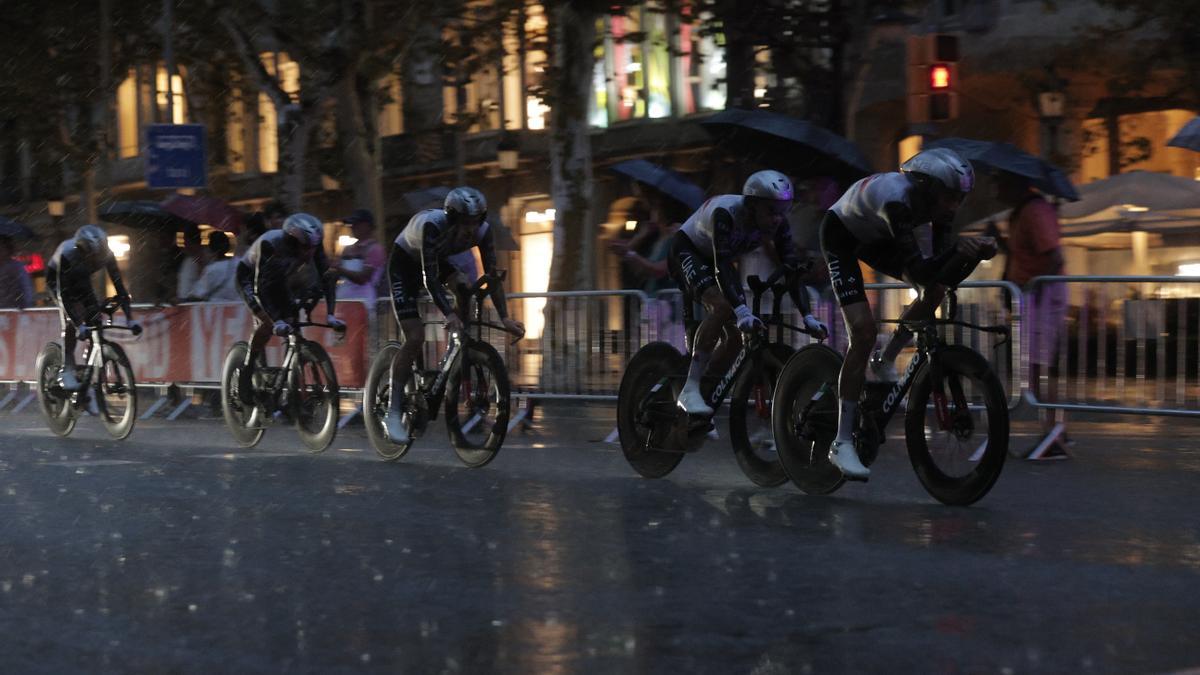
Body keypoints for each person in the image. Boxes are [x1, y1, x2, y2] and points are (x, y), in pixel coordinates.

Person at [820, 148, 996, 480]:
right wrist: (960, 251)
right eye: (949, 198)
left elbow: (941, 276)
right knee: (863, 332)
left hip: (874, 235)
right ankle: (841, 442)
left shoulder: (938, 205)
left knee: (936, 291)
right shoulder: (897, 201)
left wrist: (974, 255)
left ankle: (885, 359)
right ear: (926, 189)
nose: (954, 207)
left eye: (960, 199)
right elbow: (921, 268)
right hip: (841, 235)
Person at [668, 170, 829, 416]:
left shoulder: (778, 223)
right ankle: (689, 389)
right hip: (688, 251)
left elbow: (791, 270)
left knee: (733, 339)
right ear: (752, 205)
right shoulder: (726, 214)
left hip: (716, 261)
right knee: (722, 307)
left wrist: (808, 315)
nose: (777, 218)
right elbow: (722, 266)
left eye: (783, 210)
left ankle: (705, 389)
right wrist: (741, 310)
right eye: (771, 211)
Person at [384, 186, 525, 443]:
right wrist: (448, 313)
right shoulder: (433, 226)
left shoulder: (483, 231)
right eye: (464, 222)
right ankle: (392, 411)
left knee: (464, 288)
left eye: (475, 221)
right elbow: (429, 278)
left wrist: (505, 317)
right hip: (405, 264)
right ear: (451, 218)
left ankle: (458, 347)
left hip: (436, 261)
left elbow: (492, 278)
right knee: (416, 336)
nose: (471, 228)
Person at [992, 170, 1069, 458]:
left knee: (1039, 366)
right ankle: (1057, 431)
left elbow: (1054, 256)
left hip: (1042, 295)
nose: (995, 186)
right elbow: (1025, 253)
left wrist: (1034, 290)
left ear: (1014, 182)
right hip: (1034, 293)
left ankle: (1054, 434)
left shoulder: (1035, 210)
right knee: (1037, 366)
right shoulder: (1022, 212)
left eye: (998, 180)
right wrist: (999, 240)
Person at [234, 213, 345, 407]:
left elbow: (327, 278)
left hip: (279, 278)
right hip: (251, 278)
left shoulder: (314, 246)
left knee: (292, 320)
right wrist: (275, 321)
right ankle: (247, 368)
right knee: (267, 323)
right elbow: (262, 289)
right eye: (305, 247)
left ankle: (291, 384)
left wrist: (330, 315)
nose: (309, 253)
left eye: (313, 247)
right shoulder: (271, 244)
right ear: (291, 241)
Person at [45, 225, 142, 391]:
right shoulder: (68, 255)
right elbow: (64, 296)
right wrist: (78, 324)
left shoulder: (106, 254)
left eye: (99, 256)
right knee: (74, 316)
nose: (97, 260)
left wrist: (130, 319)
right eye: (93, 257)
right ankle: (66, 368)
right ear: (84, 252)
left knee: (95, 318)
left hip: (82, 278)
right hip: (59, 280)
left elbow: (120, 287)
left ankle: (87, 377)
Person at [335, 208, 386, 306]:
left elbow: (362, 278)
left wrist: (338, 268)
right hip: (342, 303)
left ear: (367, 226)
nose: (352, 227)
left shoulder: (375, 250)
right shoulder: (347, 249)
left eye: (356, 224)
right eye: (351, 224)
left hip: (363, 305)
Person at [190, 232, 240, 302]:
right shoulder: (240, 263)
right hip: (242, 309)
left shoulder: (212, 269)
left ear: (211, 250)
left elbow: (197, 295)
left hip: (218, 310)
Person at [0, 235, 34, 309]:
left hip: (13, 310)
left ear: (7, 249)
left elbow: (26, 288)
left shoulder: (16, 267)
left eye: (1, 248)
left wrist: (24, 306)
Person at [177, 228, 205, 302]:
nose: (182, 246)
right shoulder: (188, 260)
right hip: (184, 302)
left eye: (184, 242)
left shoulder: (203, 259)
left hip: (192, 302)